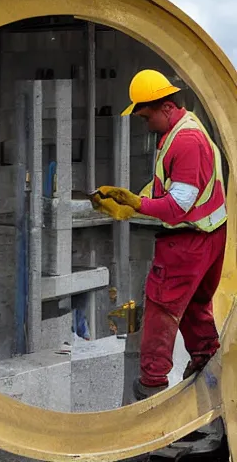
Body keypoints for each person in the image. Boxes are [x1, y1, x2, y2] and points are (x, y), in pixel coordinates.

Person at [94, 69, 228, 400]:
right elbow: (167, 189)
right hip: (206, 236)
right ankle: (206, 359)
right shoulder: (182, 128)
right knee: (195, 304)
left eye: (147, 115)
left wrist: (136, 204)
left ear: (166, 107)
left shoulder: (185, 141)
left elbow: (177, 206)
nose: (146, 123)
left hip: (189, 241)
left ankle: (151, 389)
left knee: (161, 309)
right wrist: (131, 202)